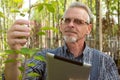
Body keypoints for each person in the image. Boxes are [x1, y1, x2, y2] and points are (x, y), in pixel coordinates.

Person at [4, 2, 120, 80]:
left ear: (88, 29)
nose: (70, 25)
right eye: (67, 20)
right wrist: (14, 51)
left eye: (78, 22)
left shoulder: (104, 62)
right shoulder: (43, 57)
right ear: (60, 26)